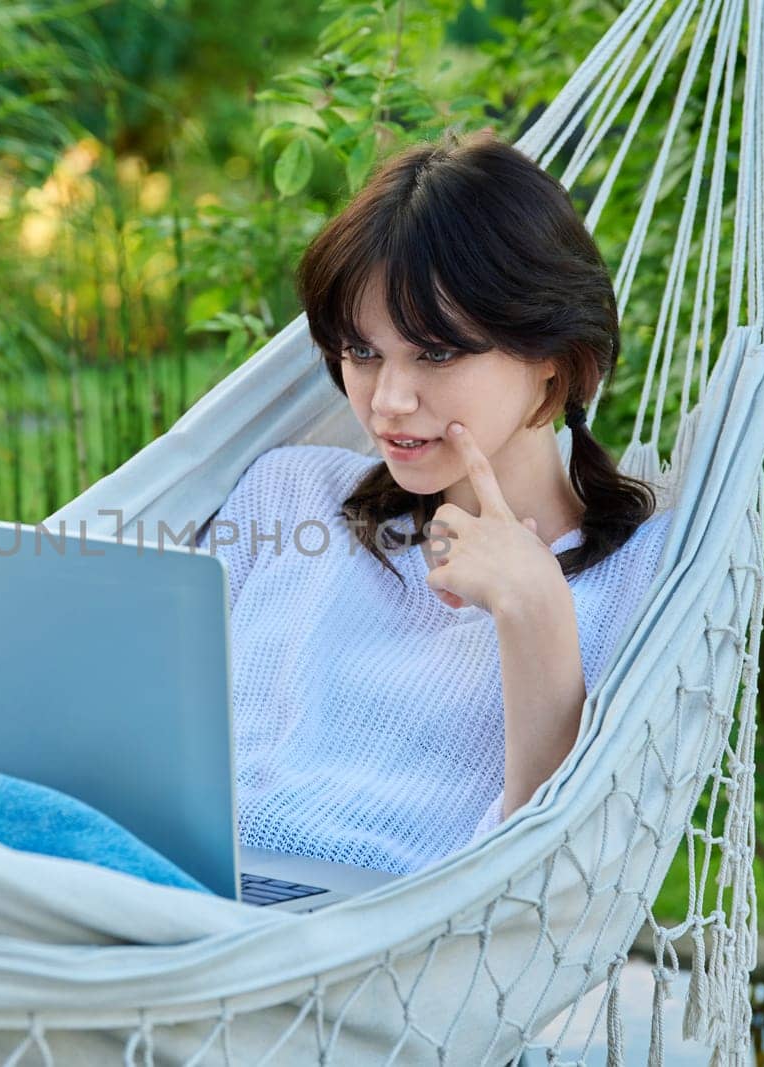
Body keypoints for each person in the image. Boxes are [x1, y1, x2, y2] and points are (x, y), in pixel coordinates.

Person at [194, 128, 673, 876]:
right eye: (362, 351)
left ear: (553, 368)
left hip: (391, 948)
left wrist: (534, 608)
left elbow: (546, 889)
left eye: (437, 353)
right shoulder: (289, 493)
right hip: (168, 886)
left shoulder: (644, 578)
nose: (388, 400)